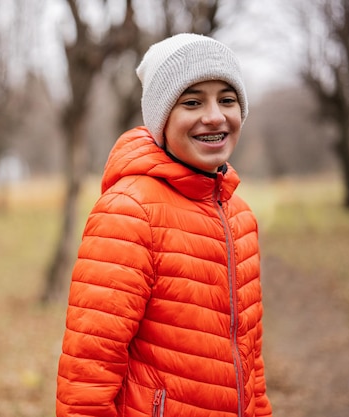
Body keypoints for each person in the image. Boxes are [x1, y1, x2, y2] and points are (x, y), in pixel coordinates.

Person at [56, 33, 273, 417]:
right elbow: (86, 379)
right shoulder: (128, 212)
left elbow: (251, 365)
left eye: (227, 99)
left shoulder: (239, 215)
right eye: (192, 102)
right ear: (161, 119)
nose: (214, 116)